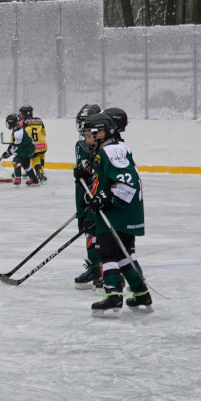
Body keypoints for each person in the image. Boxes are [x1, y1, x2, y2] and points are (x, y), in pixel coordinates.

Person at [76, 108, 151, 315]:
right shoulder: (113, 149)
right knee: (123, 254)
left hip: (118, 212)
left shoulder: (112, 150)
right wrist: (89, 177)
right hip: (124, 211)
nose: (87, 140)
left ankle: (113, 296)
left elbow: (127, 182)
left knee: (106, 253)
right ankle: (140, 292)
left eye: (90, 135)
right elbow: (110, 178)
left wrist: (106, 198)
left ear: (101, 133)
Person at [72, 104, 104, 290]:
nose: (84, 132)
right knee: (87, 230)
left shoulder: (102, 147)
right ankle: (94, 267)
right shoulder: (80, 145)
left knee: (99, 232)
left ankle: (104, 269)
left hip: (97, 196)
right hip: (83, 196)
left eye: (87, 127)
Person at [4, 112, 39, 186]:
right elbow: (14, 145)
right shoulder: (17, 130)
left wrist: (8, 153)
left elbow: (17, 148)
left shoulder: (18, 133)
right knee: (25, 164)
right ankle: (34, 180)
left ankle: (18, 178)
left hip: (28, 148)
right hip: (27, 147)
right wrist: (8, 151)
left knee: (16, 160)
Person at [19, 105, 48, 182]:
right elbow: (44, 132)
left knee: (35, 160)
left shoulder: (24, 122)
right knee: (41, 157)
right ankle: (41, 172)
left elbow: (24, 134)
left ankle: (39, 172)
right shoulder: (39, 120)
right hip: (42, 144)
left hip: (34, 146)